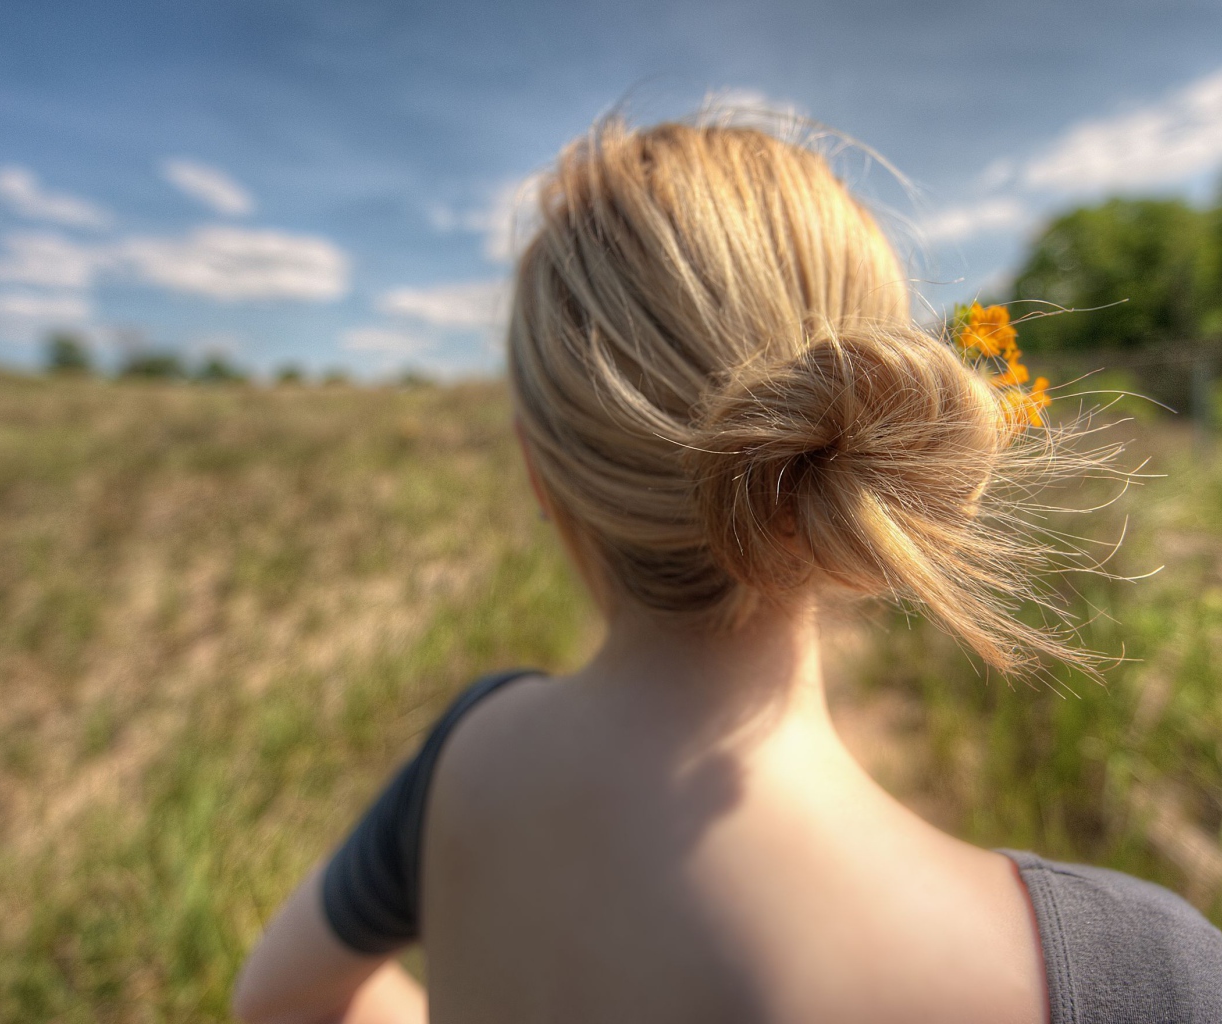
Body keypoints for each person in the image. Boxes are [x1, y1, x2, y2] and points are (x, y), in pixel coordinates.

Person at [232, 118, 1222, 1024]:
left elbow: (275, 999)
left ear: (543, 474)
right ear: (873, 459)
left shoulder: (458, 764)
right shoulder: (1139, 976)